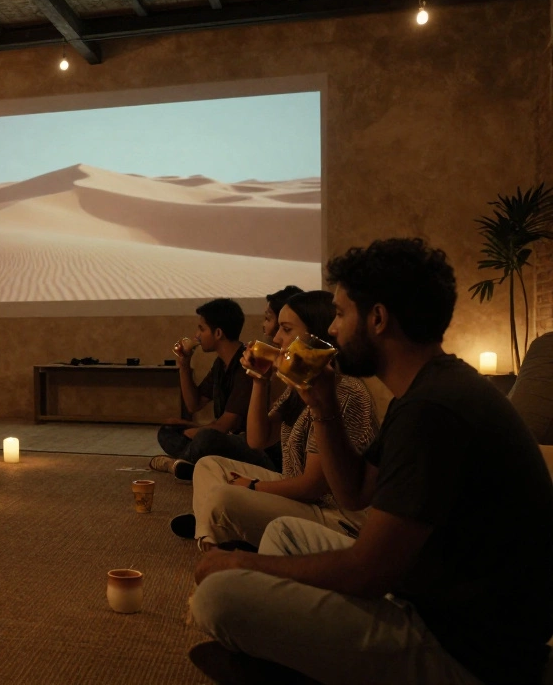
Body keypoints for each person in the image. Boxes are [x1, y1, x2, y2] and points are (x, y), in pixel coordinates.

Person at [189, 238, 553, 684]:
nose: (334, 331)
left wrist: (241, 564)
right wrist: (321, 403)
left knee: (220, 598)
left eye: (341, 314)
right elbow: (355, 491)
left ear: (377, 319)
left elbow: (366, 571)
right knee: (285, 532)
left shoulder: (434, 409)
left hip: (463, 649)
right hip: (419, 592)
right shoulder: (424, 390)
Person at [172, 290, 376, 550]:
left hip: (331, 515)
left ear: (316, 335)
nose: (275, 337)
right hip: (302, 499)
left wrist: (254, 487)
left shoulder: (343, 392)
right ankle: (216, 536)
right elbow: (257, 439)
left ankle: (214, 538)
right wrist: (259, 381)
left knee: (224, 497)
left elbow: (312, 487)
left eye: (286, 329)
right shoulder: (299, 387)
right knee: (209, 466)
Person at [152, 298, 260, 480]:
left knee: (205, 439)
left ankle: (182, 464)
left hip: (244, 442)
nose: (197, 336)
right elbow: (194, 405)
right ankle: (192, 464)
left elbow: (226, 426)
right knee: (168, 431)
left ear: (218, 333)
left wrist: (194, 431)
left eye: (201, 329)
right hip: (221, 435)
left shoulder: (245, 366)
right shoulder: (220, 364)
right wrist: (184, 365)